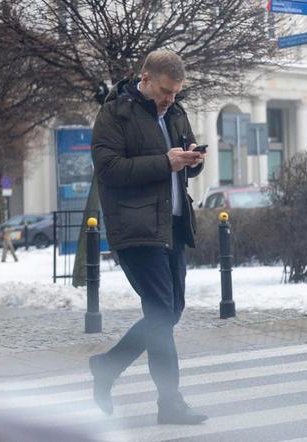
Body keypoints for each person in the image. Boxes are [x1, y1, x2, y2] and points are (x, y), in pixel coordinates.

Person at [90, 50, 207, 425]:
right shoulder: (115, 114)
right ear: (145, 79)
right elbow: (108, 169)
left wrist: (192, 160)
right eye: (164, 90)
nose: (170, 98)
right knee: (160, 312)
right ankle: (169, 403)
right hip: (136, 229)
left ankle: (108, 366)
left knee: (169, 313)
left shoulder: (175, 113)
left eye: (175, 92)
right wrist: (165, 162)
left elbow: (182, 159)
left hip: (171, 225)